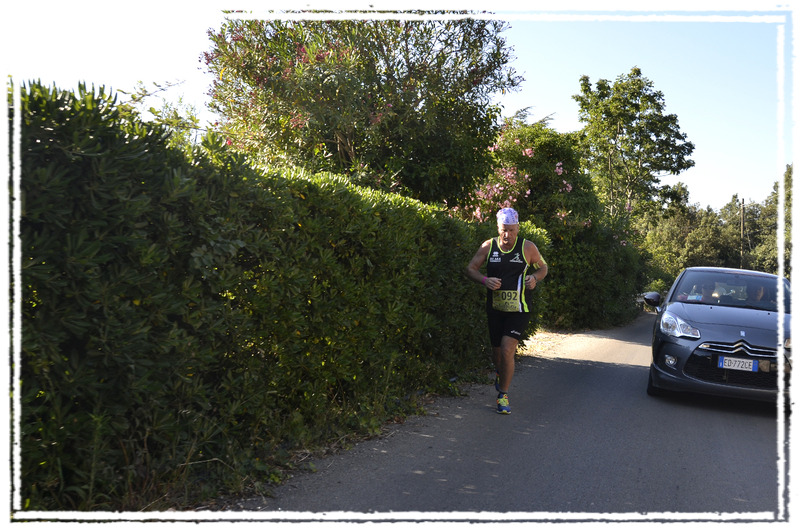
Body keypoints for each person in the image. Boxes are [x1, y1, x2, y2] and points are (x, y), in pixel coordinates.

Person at [465, 208, 548, 414]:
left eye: (511, 230)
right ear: (498, 228)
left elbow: (543, 268)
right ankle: (499, 371)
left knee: (507, 349)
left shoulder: (527, 247)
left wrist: (534, 278)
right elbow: (470, 269)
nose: (507, 235)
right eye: (504, 230)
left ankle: (503, 395)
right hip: (495, 309)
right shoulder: (488, 246)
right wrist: (485, 280)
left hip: (519, 309)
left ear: (517, 228)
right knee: (497, 353)